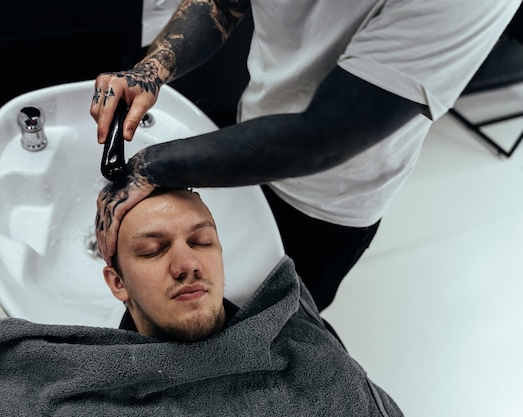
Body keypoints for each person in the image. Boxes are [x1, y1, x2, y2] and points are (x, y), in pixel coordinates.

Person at [90, 0, 521, 312]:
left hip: (326, 202)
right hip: (250, 134)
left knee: (274, 322)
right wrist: (152, 69)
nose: (183, 266)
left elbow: (325, 134)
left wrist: (148, 167)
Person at [0, 187, 404, 416]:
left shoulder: (309, 350)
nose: (187, 264)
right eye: (152, 249)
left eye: (201, 242)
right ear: (117, 283)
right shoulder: (68, 386)